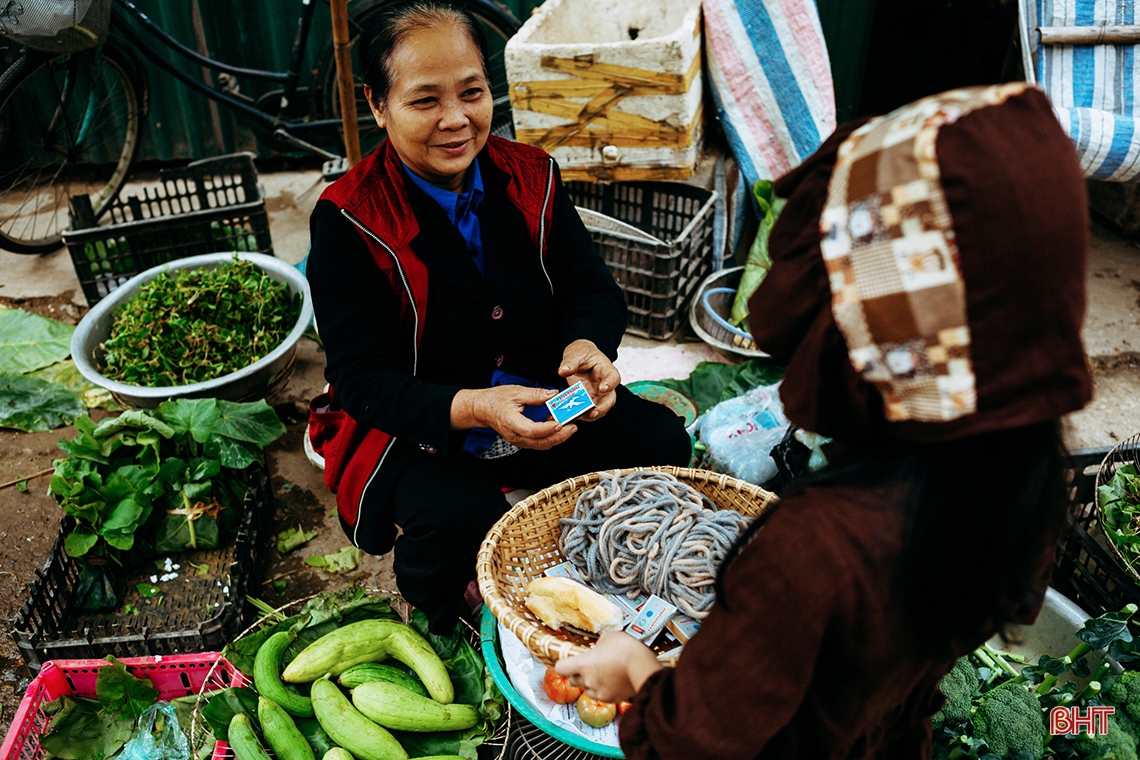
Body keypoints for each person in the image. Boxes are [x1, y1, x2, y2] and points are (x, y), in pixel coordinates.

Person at [555, 82, 1093, 758]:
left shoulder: (814, 552)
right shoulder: (1020, 492)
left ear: (858, 327)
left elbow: (686, 745)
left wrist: (635, 670)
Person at [305, 0, 692, 635]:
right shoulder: (349, 220)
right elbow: (361, 379)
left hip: (542, 397)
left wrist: (587, 348)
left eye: (472, 92)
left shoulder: (531, 175)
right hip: (424, 425)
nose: (455, 120)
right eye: (424, 100)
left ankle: (600, 571)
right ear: (378, 105)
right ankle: (447, 617)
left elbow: (588, 287)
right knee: (460, 522)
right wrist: (476, 408)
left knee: (661, 444)